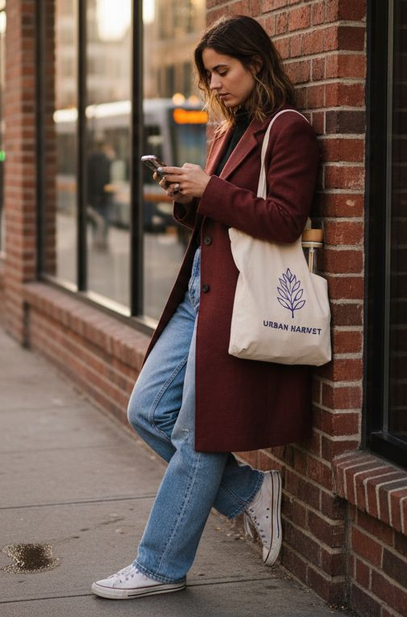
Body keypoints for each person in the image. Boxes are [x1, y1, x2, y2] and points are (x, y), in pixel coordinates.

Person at [90, 15, 320, 600]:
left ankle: (160, 565)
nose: (213, 84)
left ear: (257, 64)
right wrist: (189, 197)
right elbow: (222, 215)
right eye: (208, 75)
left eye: (223, 71)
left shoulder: (285, 129)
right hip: (199, 293)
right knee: (147, 410)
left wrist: (209, 190)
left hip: (241, 300)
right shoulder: (227, 130)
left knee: (199, 434)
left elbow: (288, 219)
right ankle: (248, 492)